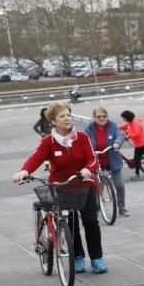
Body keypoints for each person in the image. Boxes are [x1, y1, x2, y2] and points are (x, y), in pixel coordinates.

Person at [13, 101, 107, 273]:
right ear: (53, 121)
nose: (67, 119)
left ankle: (96, 258)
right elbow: (36, 157)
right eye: (62, 116)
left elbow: (92, 159)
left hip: (85, 185)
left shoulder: (82, 137)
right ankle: (77, 257)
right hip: (61, 187)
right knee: (70, 224)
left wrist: (87, 169)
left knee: (91, 222)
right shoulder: (48, 141)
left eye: (68, 115)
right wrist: (24, 171)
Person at [84, 106, 129, 217]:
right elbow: (85, 140)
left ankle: (122, 208)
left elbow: (120, 135)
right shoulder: (89, 129)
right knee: (97, 188)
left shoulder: (112, 126)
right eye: (99, 116)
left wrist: (117, 143)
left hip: (113, 162)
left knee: (119, 186)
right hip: (97, 162)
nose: (102, 118)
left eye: (104, 116)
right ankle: (97, 208)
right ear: (94, 118)